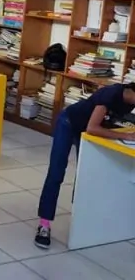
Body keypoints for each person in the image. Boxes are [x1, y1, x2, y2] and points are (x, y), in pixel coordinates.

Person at [34, 83, 135, 249]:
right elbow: (92, 128)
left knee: (85, 175)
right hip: (68, 123)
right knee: (56, 172)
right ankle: (44, 224)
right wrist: (125, 136)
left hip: (85, 131)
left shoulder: (129, 100)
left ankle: (79, 222)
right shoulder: (112, 95)